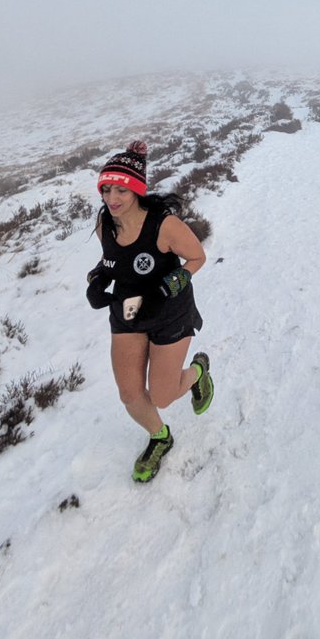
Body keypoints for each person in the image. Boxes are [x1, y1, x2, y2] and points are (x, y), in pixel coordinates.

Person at [86, 140, 214, 482]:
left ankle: (198, 373)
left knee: (163, 394)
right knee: (130, 393)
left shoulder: (164, 225)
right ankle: (160, 437)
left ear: (137, 191)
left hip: (170, 311)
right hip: (128, 312)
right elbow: (111, 261)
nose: (112, 199)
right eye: (106, 190)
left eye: (121, 191)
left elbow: (197, 257)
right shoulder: (105, 223)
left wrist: (172, 283)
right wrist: (98, 279)